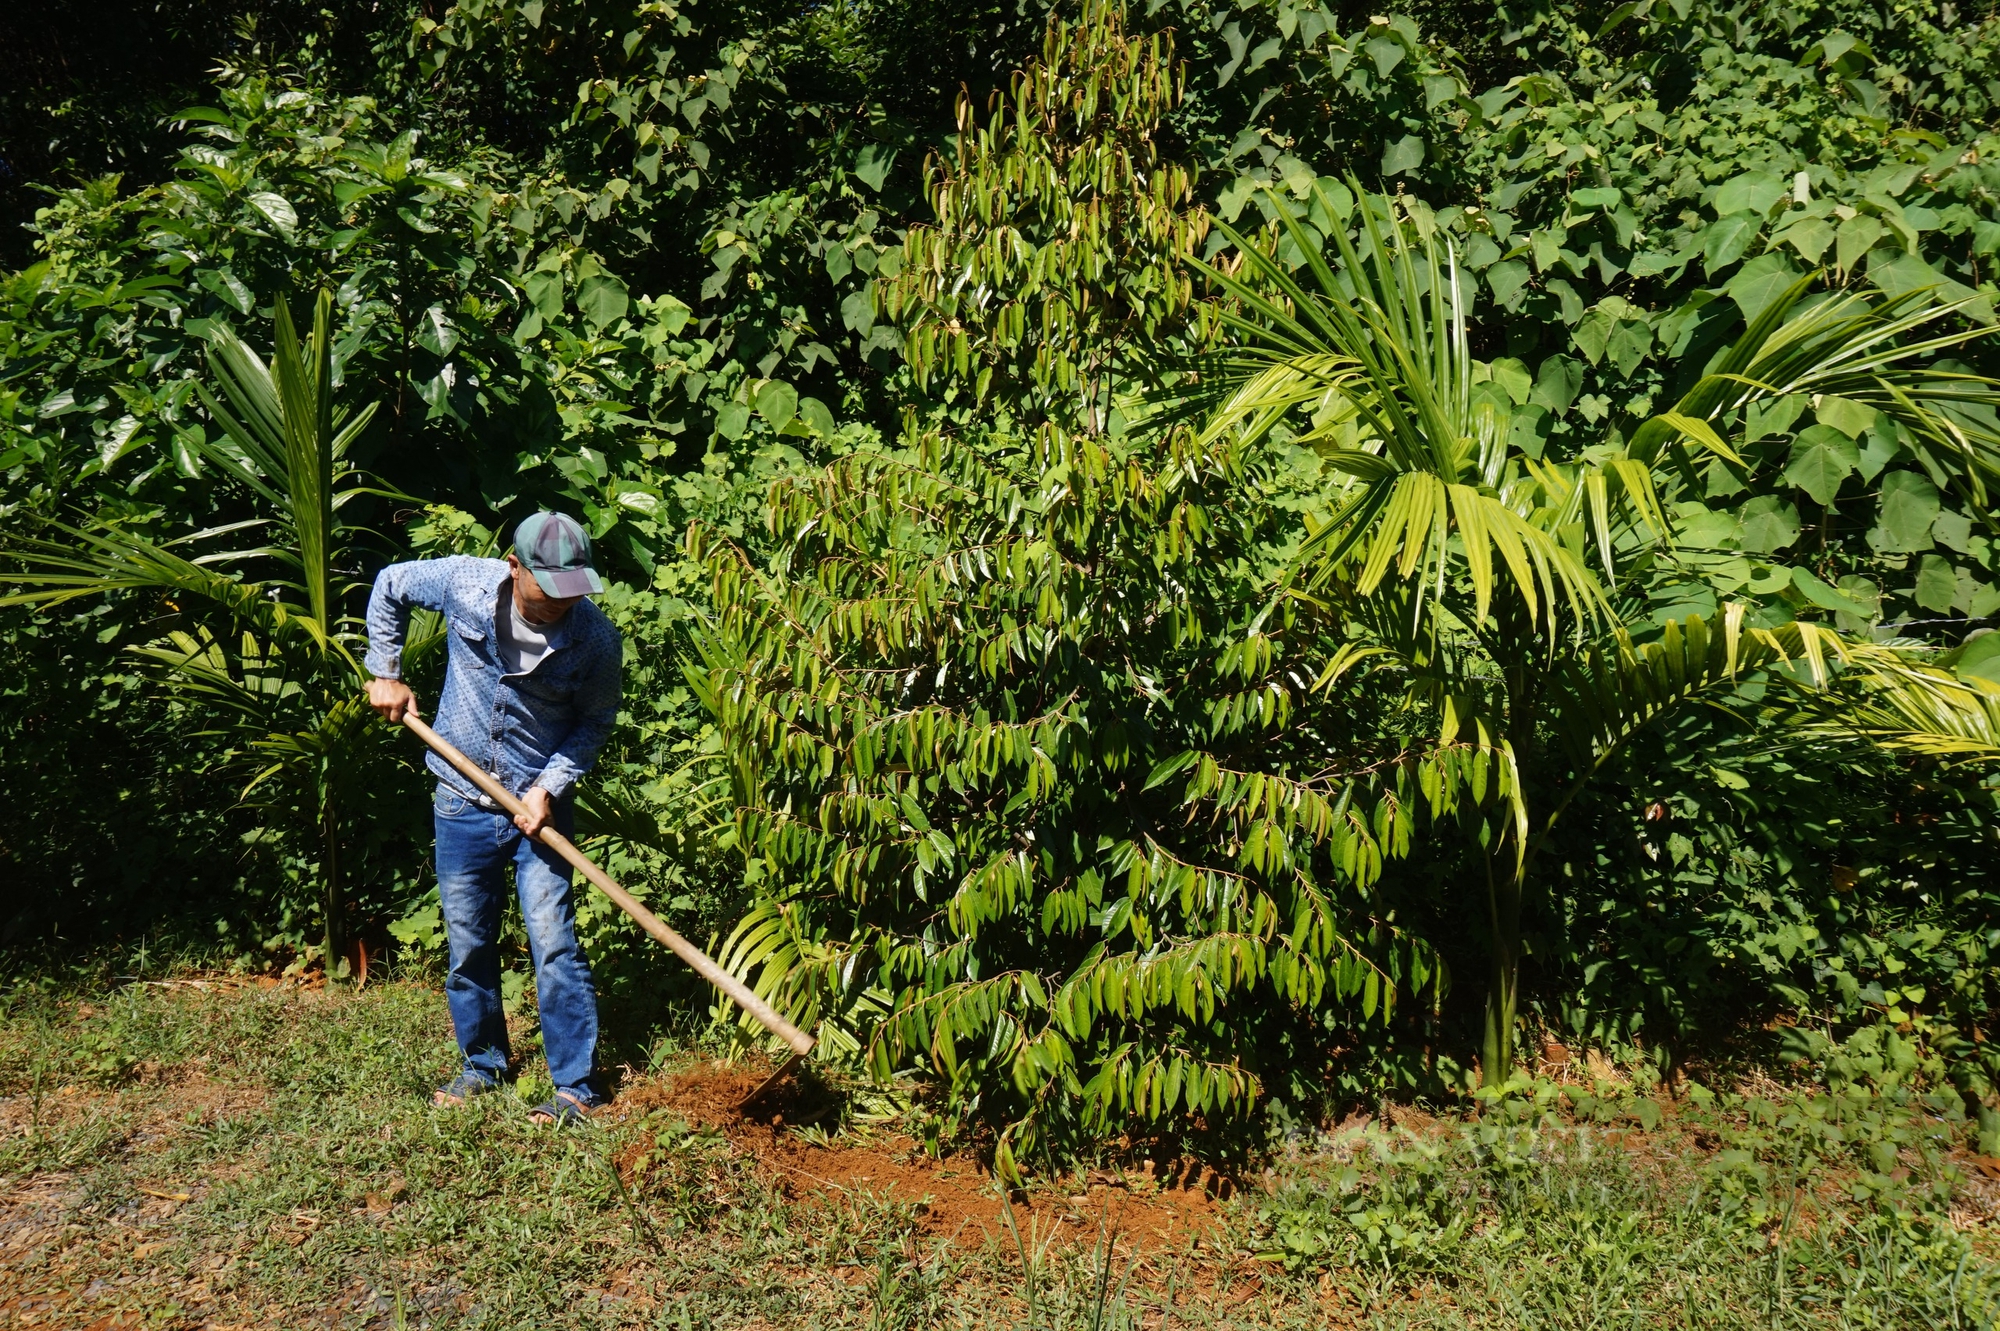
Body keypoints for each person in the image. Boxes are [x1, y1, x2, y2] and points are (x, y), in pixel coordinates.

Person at [364, 511, 622, 1124]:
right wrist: (387, 672)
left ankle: (574, 1087)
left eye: (575, 588)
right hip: (460, 798)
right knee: (468, 941)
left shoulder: (594, 640)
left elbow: (595, 723)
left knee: (554, 940)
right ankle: (483, 1064)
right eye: (549, 588)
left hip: (540, 811)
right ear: (515, 566)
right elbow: (390, 585)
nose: (564, 603)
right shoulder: (465, 583)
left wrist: (549, 788)